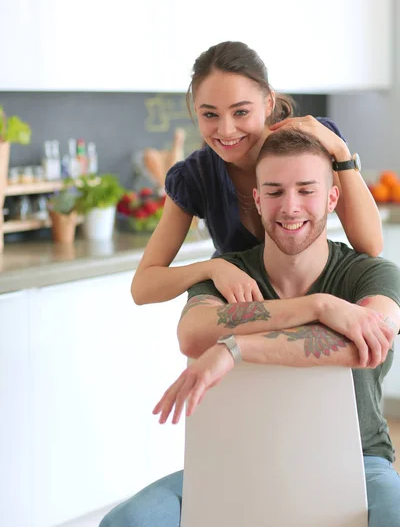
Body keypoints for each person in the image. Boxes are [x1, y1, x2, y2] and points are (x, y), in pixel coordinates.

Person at [101, 130, 400, 527]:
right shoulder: (230, 275)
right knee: (127, 521)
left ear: (332, 198)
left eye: (306, 191)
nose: (290, 207)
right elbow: (193, 332)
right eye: (274, 192)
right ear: (258, 201)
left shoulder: (373, 274)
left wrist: (235, 349)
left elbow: (365, 339)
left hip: (358, 460)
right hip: (237, 464)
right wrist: (318, 307)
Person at [131, 41, 383, 307]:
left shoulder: (313, 144)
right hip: (245, 321)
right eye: (210, 114)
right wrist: (213, 269)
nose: (226, 130)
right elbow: (143, 287)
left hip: (322, 311)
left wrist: (341, 152)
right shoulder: (196, 176)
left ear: (269, 102)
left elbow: (371, 245)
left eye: (241, 111)